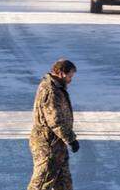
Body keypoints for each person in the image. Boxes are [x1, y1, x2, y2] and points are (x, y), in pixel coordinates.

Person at [27, 59, 78, 190]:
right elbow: (55, 120)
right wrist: (70, 139)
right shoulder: (51, 90)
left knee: (64, 182)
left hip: (57, 143)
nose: (71, 80)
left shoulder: (57, 87)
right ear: (61, 73)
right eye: (70, 76)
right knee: (43, 181)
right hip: (48, 144)